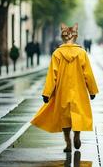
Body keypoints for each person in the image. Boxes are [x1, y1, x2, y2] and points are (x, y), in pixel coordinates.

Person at [31, 23, 99, 152]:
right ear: (75, 36)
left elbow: (52, 75)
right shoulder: (82, 53)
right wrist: (92, 90)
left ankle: (68, 143)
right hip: (79, 91)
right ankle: (77, 136)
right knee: (78, 115)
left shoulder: (57, 53)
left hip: (63, 91)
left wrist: (47, 93)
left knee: (65, 118)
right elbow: (88, 74)